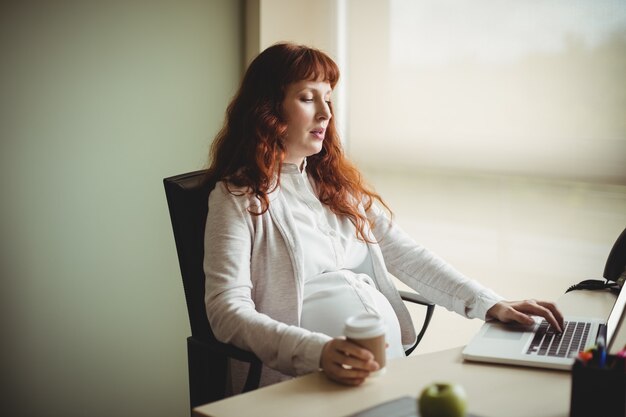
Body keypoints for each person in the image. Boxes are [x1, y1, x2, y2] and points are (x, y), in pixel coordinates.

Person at [203, 42, 564, 394]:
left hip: (385, 371)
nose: (326, 113)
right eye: (307, 97)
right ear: (268, 109)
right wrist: (318, 351)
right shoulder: (237, 199)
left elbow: (407, 255)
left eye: (328, 98)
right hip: (303, 382)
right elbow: (226, 311)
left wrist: (488, 303)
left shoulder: (335, 186)